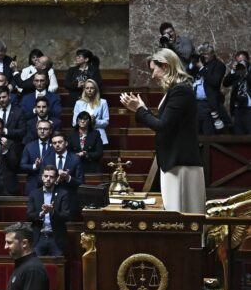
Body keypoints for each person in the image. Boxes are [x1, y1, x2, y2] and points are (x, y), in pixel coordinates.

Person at [121, 48, 206, 213]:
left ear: (166, 66)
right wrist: (143, 109)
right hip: (173, 163)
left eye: (154, 69)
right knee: (175, 216)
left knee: (182, 217)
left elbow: (162, 126)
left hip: (181, 164)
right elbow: (165, 124)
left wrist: (140, 110)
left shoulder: (180, 90)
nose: (153, 75)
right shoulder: (175, 90)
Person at [27, 165, 71, 257]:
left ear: (55, 179)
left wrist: (52, 211)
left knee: (58, 267)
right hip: (39, 237)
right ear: (42, 177)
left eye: (51, 177)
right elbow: (29, 215)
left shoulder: (63, 193)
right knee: (36, 267)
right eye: (46, 176)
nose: (48, 179)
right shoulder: (34, 194)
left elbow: (66, 216)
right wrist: (41, 213)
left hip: (56, 238)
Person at [42, 132, 84, 217]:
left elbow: (81, 182)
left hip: (70, 199)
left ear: (66, 143)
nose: (57, 145)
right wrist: (54, 180)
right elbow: (40, 180)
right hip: (51, 199)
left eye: (60, 142)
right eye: (54, 143)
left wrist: (68, 178)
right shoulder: (46, 159)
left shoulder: (75, 159)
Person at [191, 43, 227, 135]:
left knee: (208, 131)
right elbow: (188, 73)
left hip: (209, 104)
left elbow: (215, 82)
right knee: (195, 132)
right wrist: (193, 63)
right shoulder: (200, 64)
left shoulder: (219, 65)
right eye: (202, 54)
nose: (204, 56)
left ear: (212, 53)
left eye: (206, 54)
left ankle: (207, 149)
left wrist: (202, 68)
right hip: (196, 103)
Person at [0, 118, 22, 195]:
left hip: (7, 185)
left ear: (2, 130)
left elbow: (14, 165)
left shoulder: (10, 143)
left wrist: (5, 150)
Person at [19, 120, 56, 195]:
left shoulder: (56, 146)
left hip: (52, 185)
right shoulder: (29, 146)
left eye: (45, 129)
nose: (42, 131)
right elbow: (22, 165)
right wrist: (34, 166)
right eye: (40, 129)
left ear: (50, 131)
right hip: (33, 186)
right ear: (37, 130)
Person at [71, 79, 110, 144]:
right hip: (82, 136)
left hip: (99, 135)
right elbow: (74, 122)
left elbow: (106, 122)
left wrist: (95, 121)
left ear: (96, 90)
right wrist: (84, 122)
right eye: (87, 88)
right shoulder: (78, 103)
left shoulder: (103, 102)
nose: (89, 90)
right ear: (84, 90)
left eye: (92, 88)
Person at [223, 51, 250, 134]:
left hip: (249, 108)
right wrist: (233, 71)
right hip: (238, 108)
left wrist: (246, 72)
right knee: (238, 133)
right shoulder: (237, 73)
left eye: (243, 61)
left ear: (248, 60)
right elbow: (225, 83)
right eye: (239, 62)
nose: (241, 64)